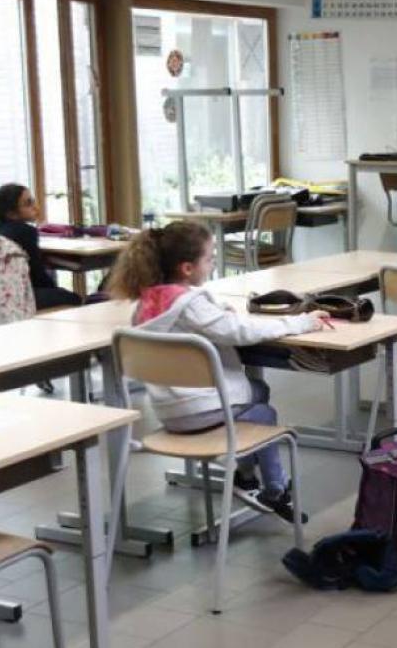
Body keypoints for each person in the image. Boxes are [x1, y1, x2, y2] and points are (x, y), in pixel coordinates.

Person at [108, 221, 330, 518]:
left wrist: (219, 314)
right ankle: (276, 488)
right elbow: (240, 332)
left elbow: (210, 325)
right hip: (199, 411)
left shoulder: (146, 304)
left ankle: (247, 477)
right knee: (264, 413)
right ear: (187, 268)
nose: (213, 265)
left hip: (169, 411)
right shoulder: (190, 303)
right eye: (210, 259)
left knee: (259, 390)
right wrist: (302, 322)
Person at [0, 183, 83, 311]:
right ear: (11, 214)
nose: (36, 207)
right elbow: (37, 274)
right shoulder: (25, 231)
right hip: (21, 296)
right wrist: (54, 290)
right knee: (74, 298)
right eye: (28, 203)